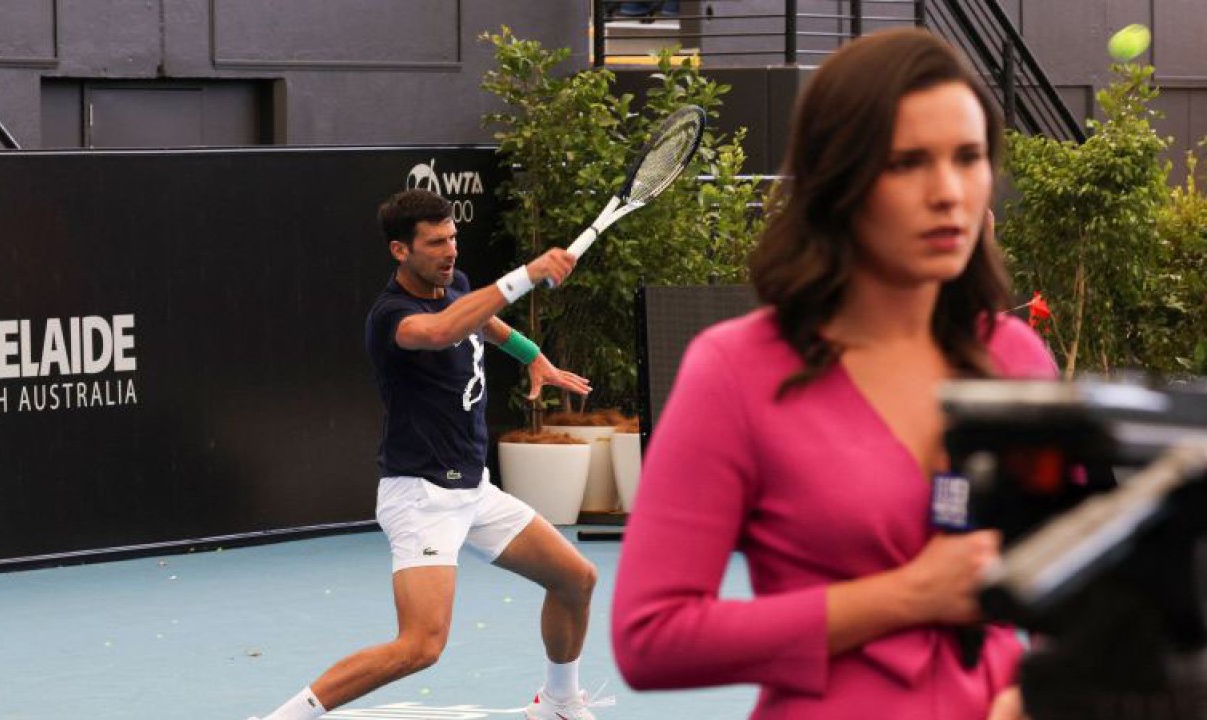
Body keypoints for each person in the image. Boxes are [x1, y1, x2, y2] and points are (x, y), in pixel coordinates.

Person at [610, 28, 1054, 720]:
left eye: (968, 158)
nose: (948, 192)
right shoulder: (735, 370)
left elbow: (1081, 591)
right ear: (839, 181)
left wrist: (1033, 693)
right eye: (908, 162)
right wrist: (906, 596)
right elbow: (650, 638)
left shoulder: (1018, 360)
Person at [251, 189, 609, 720]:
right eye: (436, 242)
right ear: (400, 251)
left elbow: (482, 322)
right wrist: (527, 274)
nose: (450, 251)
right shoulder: (392, 316)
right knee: (420, 646)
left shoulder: (456, 285)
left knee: (575, 579)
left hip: (474, 490)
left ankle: (559, 703)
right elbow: (443, 330)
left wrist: (532, 355)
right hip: (421, 495)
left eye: (454, 238)